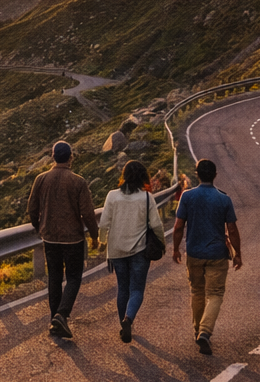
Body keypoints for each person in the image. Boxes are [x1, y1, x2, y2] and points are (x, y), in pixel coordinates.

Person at [100, 160, 185, 343]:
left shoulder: (112, 196)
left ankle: (123, 323)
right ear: (143, 177)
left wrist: (102, 242)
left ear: (124, 176)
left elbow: (104, 223)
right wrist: (162, 244)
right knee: (136, 289)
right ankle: (128, 319)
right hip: (139, 251)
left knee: (122, 288)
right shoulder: (146, 198)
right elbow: (156, 225)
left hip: (117, 250)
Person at [27, 140, 98, 339]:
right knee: (74, 277)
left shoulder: (41, 179)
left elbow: (32, 208)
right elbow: (88, 213)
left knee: (55, 277)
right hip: (73, 238)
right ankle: (62, 314)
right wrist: (94, 236)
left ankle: (54, 320)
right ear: (71, 157)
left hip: (49, 238)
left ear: (53, 157)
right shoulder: (79, 182)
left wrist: (38, 226)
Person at [171, 158, 242, 355]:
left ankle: (198, 330)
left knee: (196, 291)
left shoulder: (187, 196)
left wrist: (176, 249)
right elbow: (233, 230)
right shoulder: (224, 199)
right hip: (217, 254)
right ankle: (205, 331)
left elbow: (178, 227)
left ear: (197, 174)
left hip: (194, 253)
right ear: (215, 175)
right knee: (215, 294)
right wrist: (238, 255)